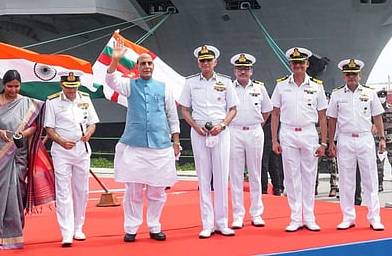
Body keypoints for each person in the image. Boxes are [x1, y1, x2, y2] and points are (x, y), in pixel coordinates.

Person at [105, 39, 181, 242]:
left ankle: (155, 226)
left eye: (149, 63)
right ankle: (131, 228)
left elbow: (172, 116)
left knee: (157, 191)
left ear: (153, 67)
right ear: (137, 67)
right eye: (143, 63)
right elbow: (111, 81)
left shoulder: (164, 88)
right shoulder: (130, 86)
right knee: (133, 192)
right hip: (135, 145)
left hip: (160, 146)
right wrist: (115, 60)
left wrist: (175, 142)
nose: (146, 66)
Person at [0, 70, 46, 249]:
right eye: (10, 86)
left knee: (16, 192)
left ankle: (13, 235)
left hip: (18, 153)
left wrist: (22, 134)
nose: (13, 90)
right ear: (4, 85)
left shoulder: (26, 103)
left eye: (17, 86)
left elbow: (34, 127)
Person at [179, 45, 238, 238]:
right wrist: (196, 127)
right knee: (203, 178)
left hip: (220, 133)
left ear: (215, 62)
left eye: (208, 60)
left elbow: (233, 109)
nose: (205, 63)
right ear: (198, 62)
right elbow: (185, 110)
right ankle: (207, 223)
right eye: (202, 60)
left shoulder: (226, 82)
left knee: (221, 177)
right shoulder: (190, 83)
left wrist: (222, 125)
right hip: (199, 132)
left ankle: (222, 222)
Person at [270, 47, 328, 232]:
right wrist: (274, 140)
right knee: (292, 176)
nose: (298, 66)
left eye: (301, 63)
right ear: (290, 65)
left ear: (307, 64)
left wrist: (324, 142)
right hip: (288, 133)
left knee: (309, 176)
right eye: (294, 63)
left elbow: (322, 116)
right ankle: (295, 217)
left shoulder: (316, 86)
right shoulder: (281, 86)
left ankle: (309, 216)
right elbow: (275, 114)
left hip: (309, 133)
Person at [326, 59, 385, 231]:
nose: (351, 77)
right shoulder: (337, 95)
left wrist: (382, 138)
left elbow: (377, 117)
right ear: (344, 76)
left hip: (365, 138)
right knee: (346, 180)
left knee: (370, 180)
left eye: (354, 74)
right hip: (345, 139)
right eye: (348, 74)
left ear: (360, 75)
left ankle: (374, 217)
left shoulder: (370, 93)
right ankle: (348, 216)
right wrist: (331, 142)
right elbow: (332, 120)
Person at [45, 72, 99, 247]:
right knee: (63, 191)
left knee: (81, 189)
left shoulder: (85, 98)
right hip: (62, 151)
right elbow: (49, 129)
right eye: (68, 87)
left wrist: (89, 133)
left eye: (74, 86)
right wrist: (61, 141)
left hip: (81, 150)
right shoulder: (52, 102)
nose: (72, 90)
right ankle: (66, 232)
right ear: (61, 85)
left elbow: (92, 123)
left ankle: (78, 227)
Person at [227, 53, 273, 228]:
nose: (243, 72)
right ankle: (238, 215)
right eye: (240, 69)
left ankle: (256, 213)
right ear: (234, 71)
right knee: (236, 174)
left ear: (251, 71)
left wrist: (256, 125)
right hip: (234, 131)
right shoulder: (229, 88)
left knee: (255, 173)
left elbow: (266, 111)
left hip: (254, 131)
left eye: (246, 69)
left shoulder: (259, 89)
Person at [376, 89, 392, 193]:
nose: (381, 98)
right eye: (380, 96)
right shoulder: (375, 109)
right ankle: (380, 183)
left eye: (383, 96)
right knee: (379, 163)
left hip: (390, 137)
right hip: (378, 138)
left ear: (386, 97)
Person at [262, 120, 284, 196]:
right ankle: (277, 187)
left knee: (265, 161)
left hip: (267, 127)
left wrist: (261, 123)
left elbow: (267, 112)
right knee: (273, 161)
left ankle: (265, 188)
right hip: (271, 127)